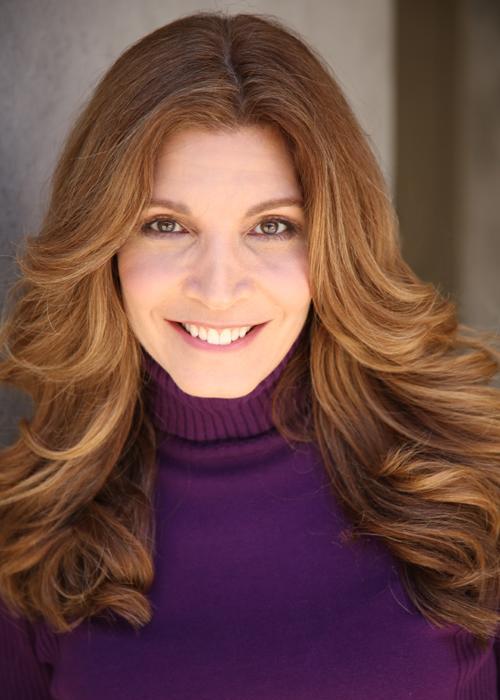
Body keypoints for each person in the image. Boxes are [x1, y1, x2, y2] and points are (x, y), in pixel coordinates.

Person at [0, 10, 498, 700]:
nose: (217, 288)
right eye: (165, 224)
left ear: (335, 244)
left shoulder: (468, 491)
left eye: (271, 226)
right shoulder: (32, 529)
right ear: (104, 245)